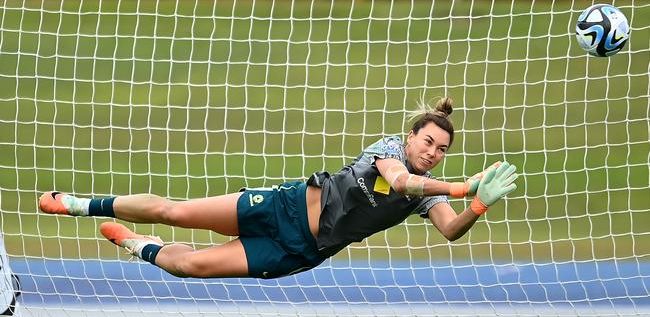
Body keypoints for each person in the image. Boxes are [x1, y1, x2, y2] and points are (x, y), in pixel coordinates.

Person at [39, 97, 518, 279]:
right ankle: (81, 204)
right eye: (429, 141)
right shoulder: (389, 148)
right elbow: (399, 180)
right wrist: (458, 186)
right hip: (285, 207)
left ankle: (140, 244)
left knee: (189, 266)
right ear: (413, 135)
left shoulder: (429, 192)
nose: (433, 152)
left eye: (441, 150)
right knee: (176, 211)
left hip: (300, 251)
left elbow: (451, 231)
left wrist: (476, 204)